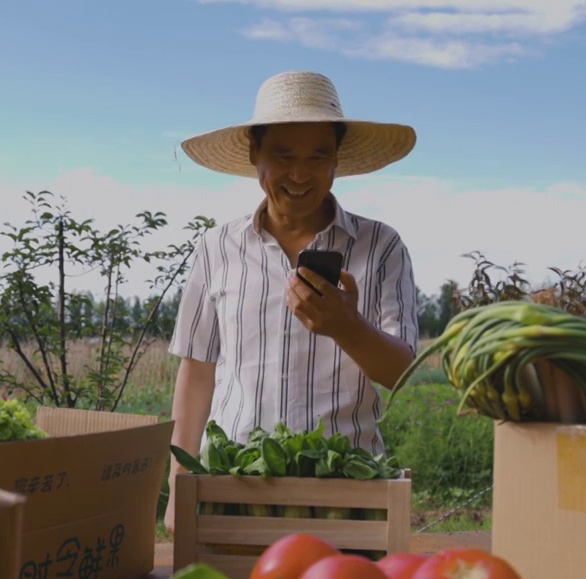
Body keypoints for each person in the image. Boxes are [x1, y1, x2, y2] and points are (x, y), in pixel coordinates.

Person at [163, 70, 420, 534]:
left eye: (317, 156)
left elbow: (400, 372)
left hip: (348, 490)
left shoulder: (381, 246)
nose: (300, 175)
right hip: (235, 488)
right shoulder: (216, 247)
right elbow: (197, 370)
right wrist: (179, 480)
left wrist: (347, 326)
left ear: (336, 160)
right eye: (283, 156)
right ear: (253, 154)